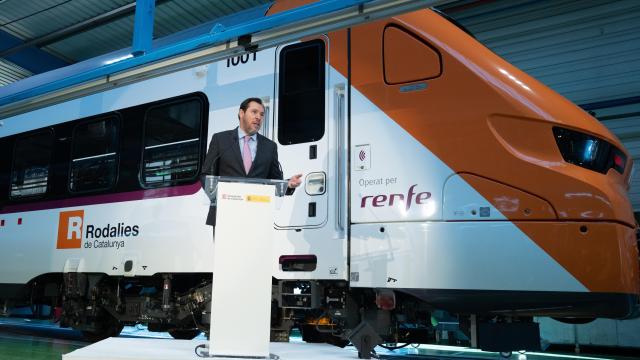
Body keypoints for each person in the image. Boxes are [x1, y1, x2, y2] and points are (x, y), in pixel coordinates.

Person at [202, 97, 302, 227]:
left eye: (261, 114)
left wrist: (288, 184)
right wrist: (218, 195)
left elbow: (275, 181)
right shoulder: (220, 140)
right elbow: (205, 175)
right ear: (241, 113)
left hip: (258, 216)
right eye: (254, 112)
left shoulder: (270, 146)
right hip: (225, 215)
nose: (258, 117)